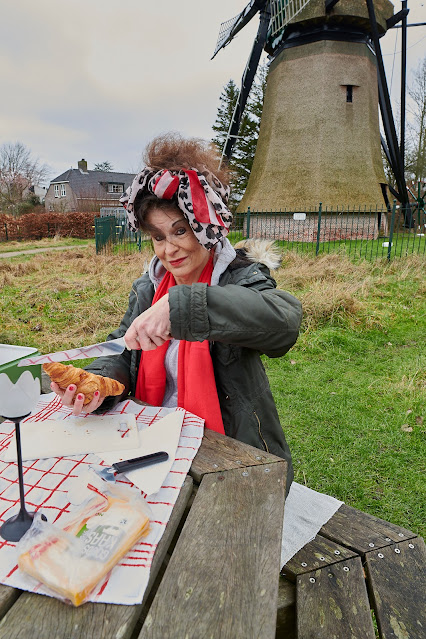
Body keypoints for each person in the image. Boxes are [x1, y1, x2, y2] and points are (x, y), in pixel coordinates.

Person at [51, 133, 302, 494]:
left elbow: (284, 322)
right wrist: (96, 384)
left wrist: (183, 306)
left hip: (229, 456)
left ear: (206, 225)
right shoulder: (150, 286)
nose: (168, 250)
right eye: (157, 236)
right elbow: (123, 349)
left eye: (180, 231)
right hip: (153, 445)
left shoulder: (241, 277)